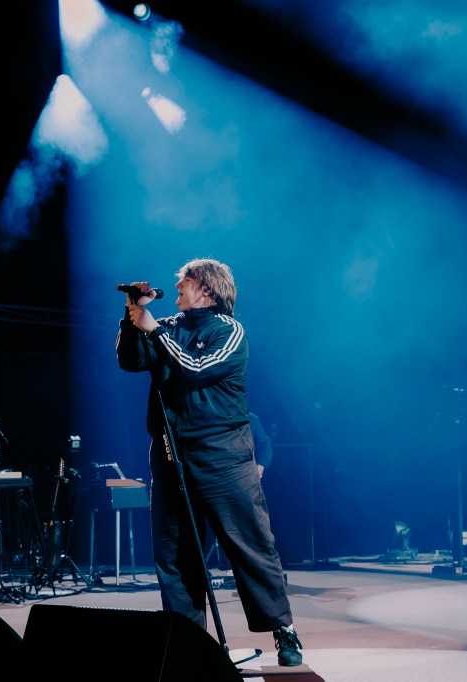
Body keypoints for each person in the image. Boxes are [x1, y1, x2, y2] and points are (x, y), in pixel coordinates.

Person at [115, 258, 303, 667]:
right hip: (169, 453)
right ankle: (187, 642)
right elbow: (130, 361)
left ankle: (283, 628)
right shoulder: (169, 325)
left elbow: (196, 369)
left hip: (222, 452)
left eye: (185, 281)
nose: (177, 285)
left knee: (248, 543)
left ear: (207, 289)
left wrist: (155, 329)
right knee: (176, 552)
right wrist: (132, 319)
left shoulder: (229, 332)